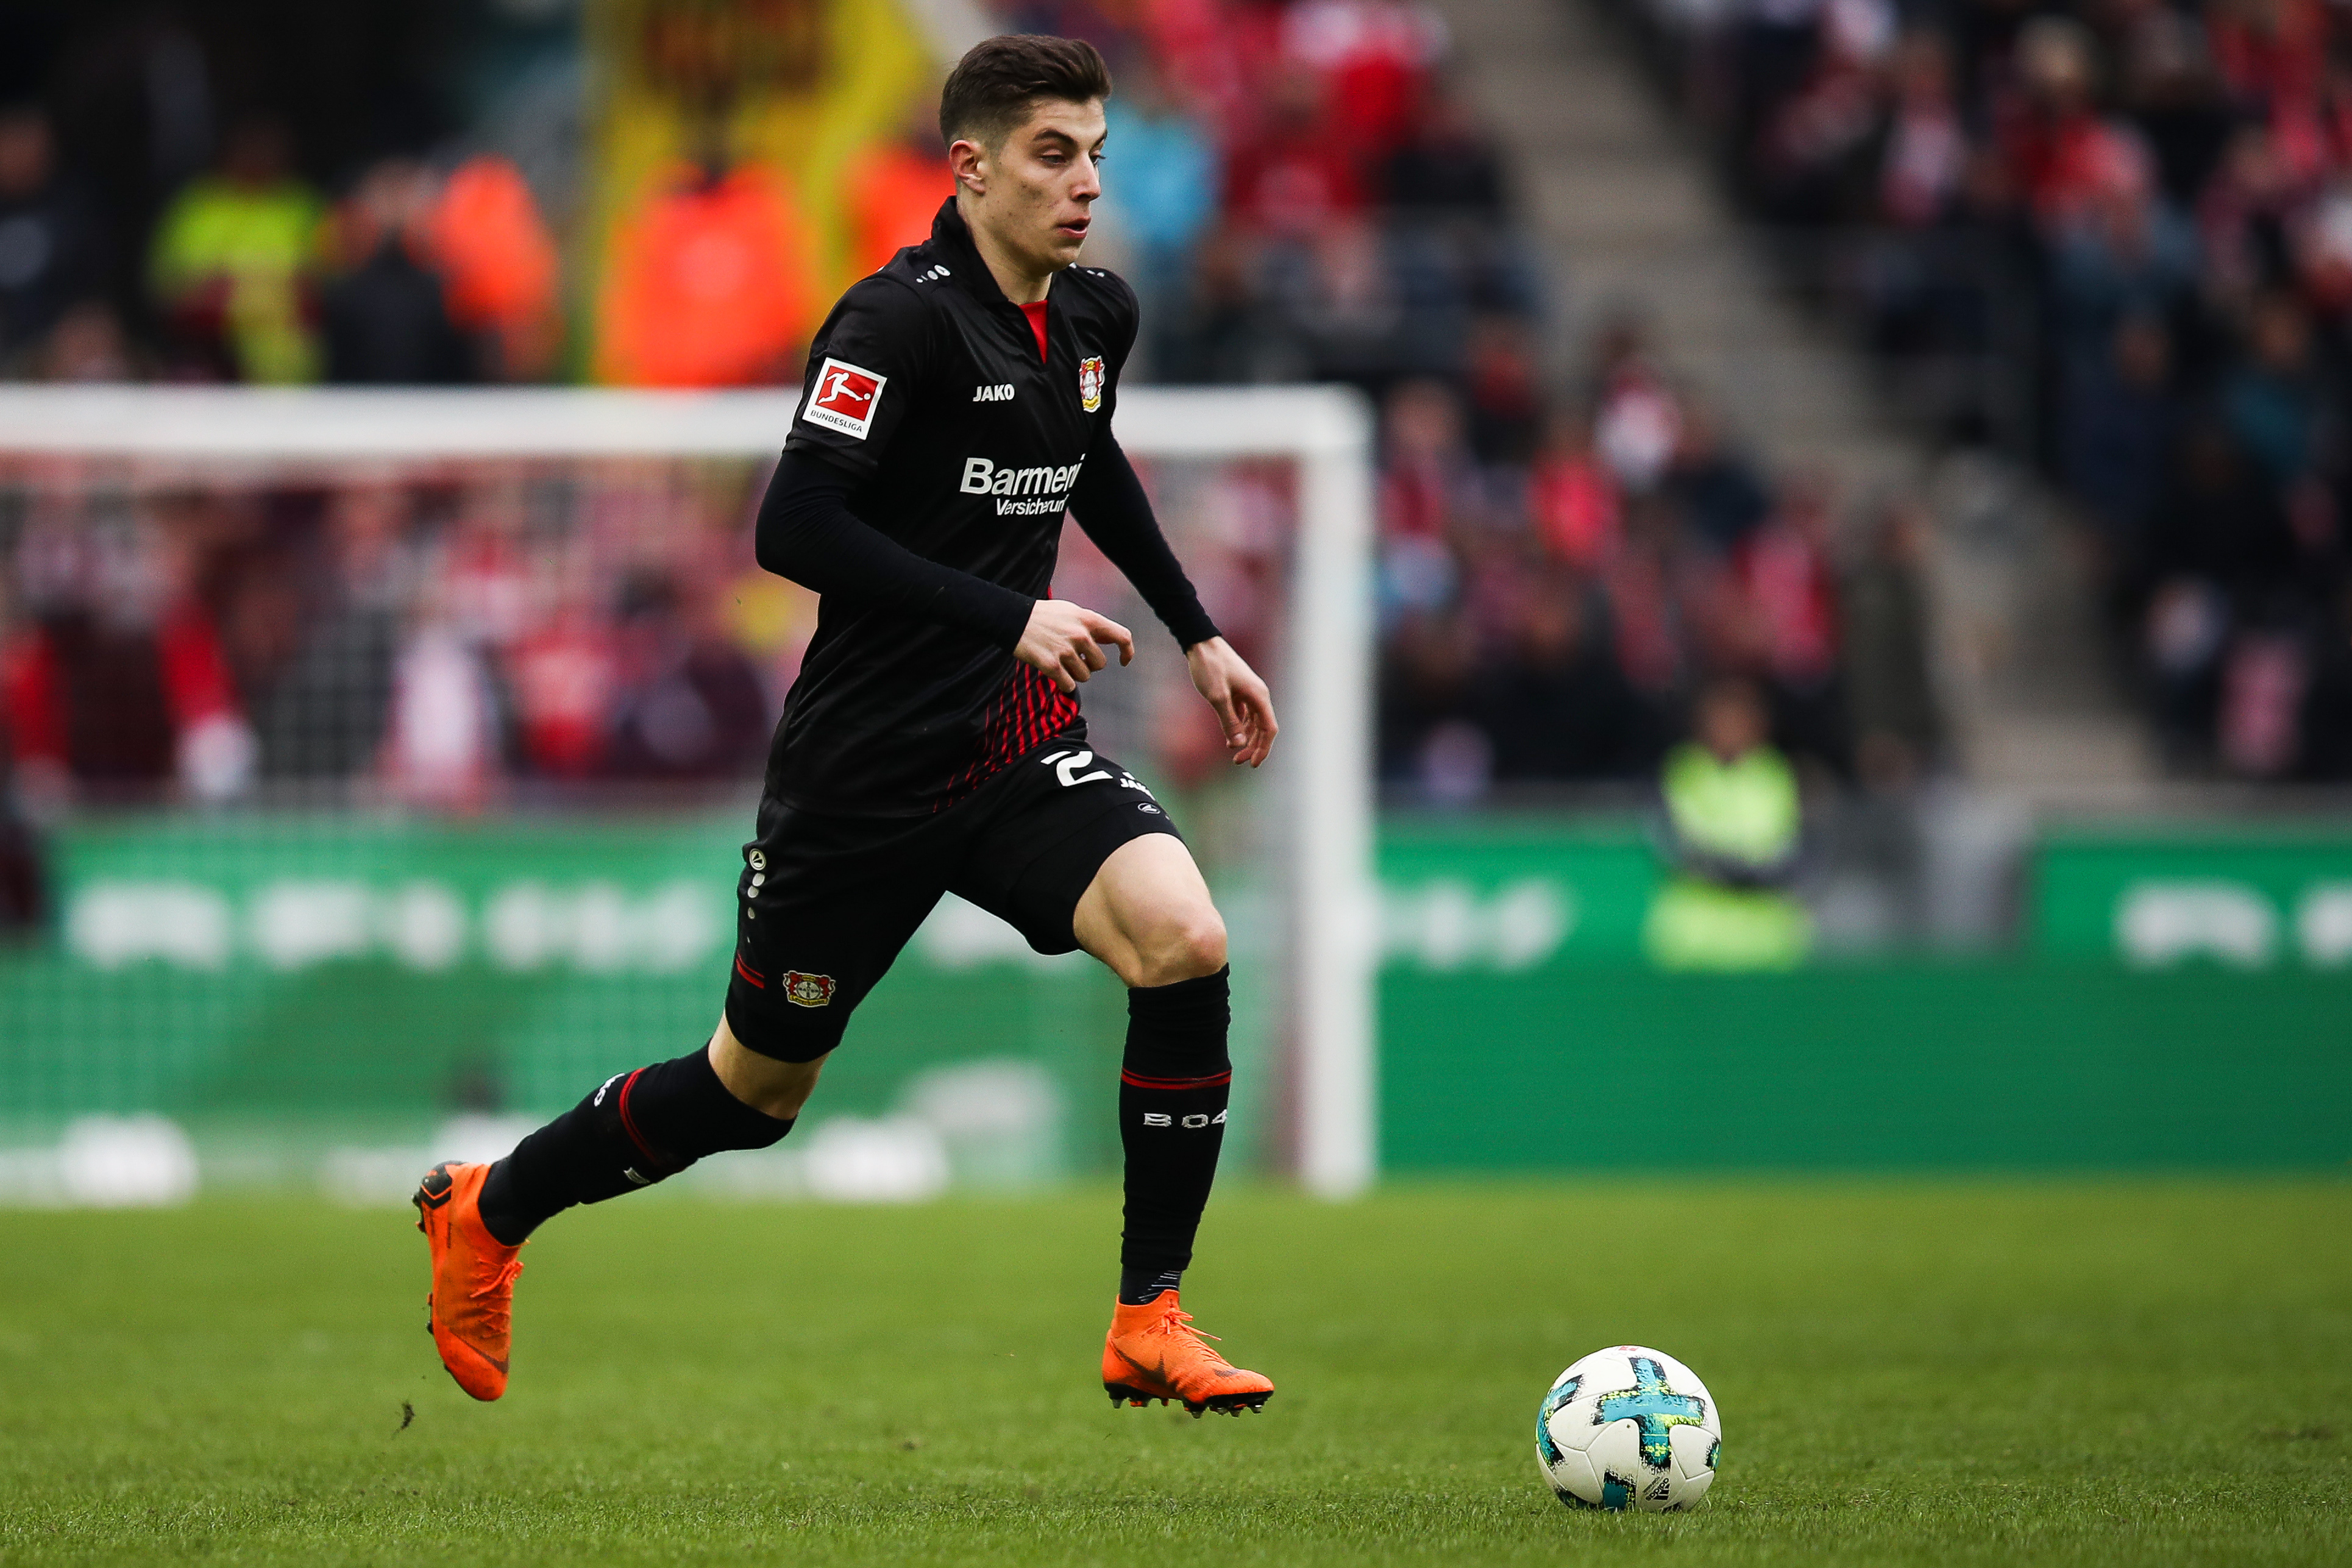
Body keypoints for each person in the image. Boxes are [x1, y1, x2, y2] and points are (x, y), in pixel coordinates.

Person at [413, 35, 1282, 1419]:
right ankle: (491, 1208)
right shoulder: (894, 320)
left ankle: (1147, 1317)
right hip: (861, 778)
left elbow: (1086, 455)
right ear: (971, 166)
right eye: (1054, 156)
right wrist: (1004, 614)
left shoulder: (1094, 315)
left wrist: (1197, 631)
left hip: (1009, 740)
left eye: (1097, 157)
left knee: (1185, 939)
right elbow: (792, 523)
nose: (1083, 187)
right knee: (750, 1097)